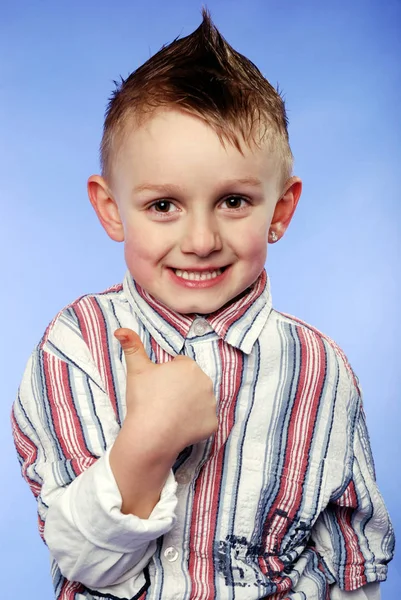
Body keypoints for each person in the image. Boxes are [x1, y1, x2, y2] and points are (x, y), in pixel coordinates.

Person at [12, 10, 394, 600]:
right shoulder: (76, 346)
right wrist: (147, 441)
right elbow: (85, 562)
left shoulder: (322, 370)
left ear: (281, 210)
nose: (200, 240)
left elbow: (351, 561)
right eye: (164, 205)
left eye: (234, 201)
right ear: (112, 209)